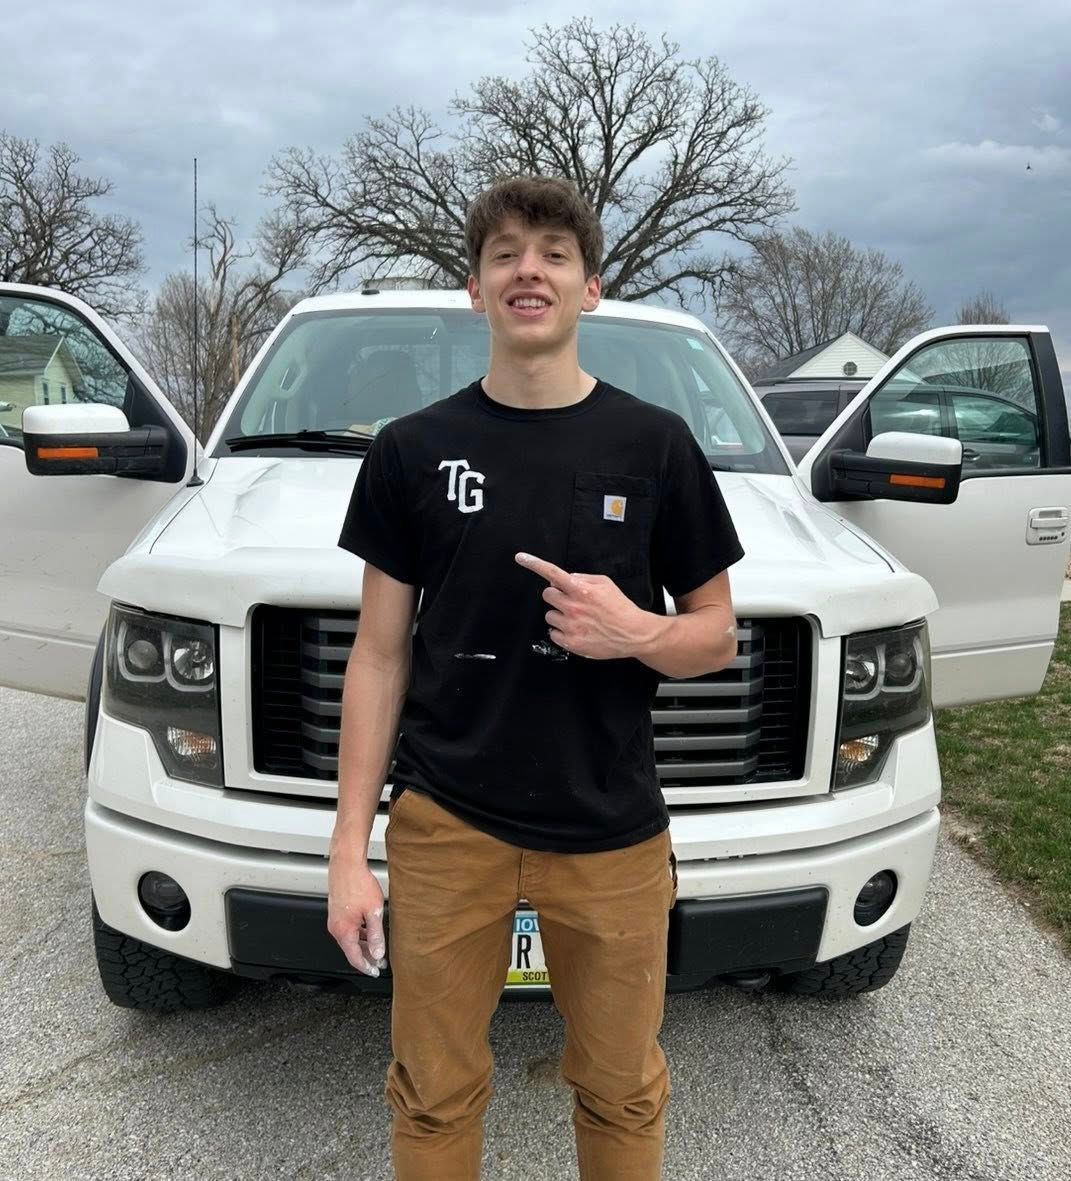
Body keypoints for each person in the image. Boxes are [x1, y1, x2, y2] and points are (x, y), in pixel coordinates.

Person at [328, 175, 744, 1181]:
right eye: (506, 251)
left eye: (554, 252)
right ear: (474, 289)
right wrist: (349, 848)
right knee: (431, 1092)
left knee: (621, 1086)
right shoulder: (410, 452)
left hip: (611, 832)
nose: (529, 268)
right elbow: (379, 653)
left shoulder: (656, 444)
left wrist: (634, 629)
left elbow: (717, 634)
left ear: (589, 288)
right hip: (446, 825)